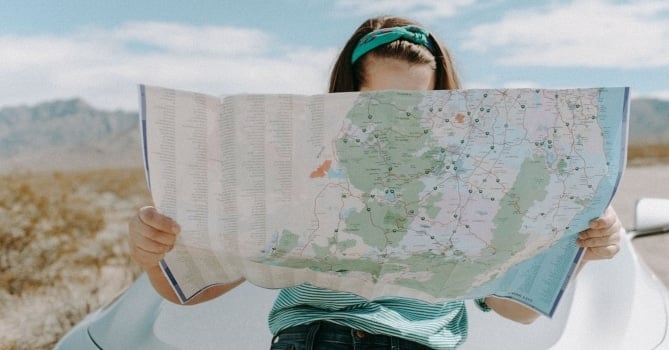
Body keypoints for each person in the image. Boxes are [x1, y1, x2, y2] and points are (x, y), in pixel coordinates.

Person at [128, 15, 623, 350]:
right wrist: (155, 254)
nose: (396, 122)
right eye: (378, 105)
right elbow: (192, 289)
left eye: (417, 106)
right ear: (346, 97)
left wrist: (578, 250)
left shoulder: (476, 178)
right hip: (312, 336)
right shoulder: (296, 164)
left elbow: (514, 312)